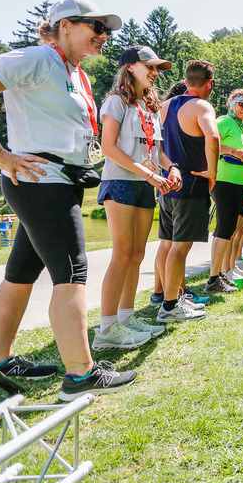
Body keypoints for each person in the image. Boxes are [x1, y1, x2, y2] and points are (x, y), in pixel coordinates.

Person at [0, 0, 137, 400]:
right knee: (72, 274)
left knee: (20, 275)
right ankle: (80, 375)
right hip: (41, 183)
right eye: (97, 27)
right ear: (65, 25)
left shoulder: (75, 73)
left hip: (56, 182)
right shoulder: (37, 57)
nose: (105, 36)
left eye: (107, 29)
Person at [94, 46, 177, 351]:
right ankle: (106, 329)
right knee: (122, 254)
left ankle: (127, 320)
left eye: (157, 69)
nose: (155, 73)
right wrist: (148, 173)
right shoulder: (116, 102)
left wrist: (172, 168)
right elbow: (109, 148)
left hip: (146, 183)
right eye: (149, 66)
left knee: (138, 255)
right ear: (130, 67)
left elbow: (157, 151)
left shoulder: (151, 106)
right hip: (121, 182)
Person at [158, 60, 218, 318]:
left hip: (167, 184)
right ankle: (170, 305)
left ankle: (170, 297)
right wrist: (212, 172)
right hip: (191, 184)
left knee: (169, 244)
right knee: (180, 248)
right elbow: (212, 136)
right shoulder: (201, 105)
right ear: (209, 83)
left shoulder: (164, 105)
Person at [206, 89, 243, 291]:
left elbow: (241, 155)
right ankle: (213, 279)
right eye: (242, 104)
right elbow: (209, 140)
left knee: (230, 229)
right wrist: (231, 151)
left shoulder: (241, 127)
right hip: (224, 181)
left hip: (239, 182)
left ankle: (222, 273)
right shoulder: (224, 121)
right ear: (231, 104)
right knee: (224, 229)